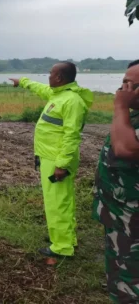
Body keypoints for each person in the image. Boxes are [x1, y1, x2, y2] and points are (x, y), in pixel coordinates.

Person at [10, 61, 93, 258]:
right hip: (49, 157)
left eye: (50, 73)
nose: (48, 76)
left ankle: (62, 247)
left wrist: (61, 165)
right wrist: (22, 82)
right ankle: (66, 238)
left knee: (57, 203)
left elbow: (71, 136)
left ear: (59, 78)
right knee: (62, 200)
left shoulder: (71, 101)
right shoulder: (59, 95)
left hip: (57, 160)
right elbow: (41, 89)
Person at [94, 60, 139, 303]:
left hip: (134, 222)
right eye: (123, 83)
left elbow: (125, 149)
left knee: (131, 279)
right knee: (120, 272)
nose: (123, 91)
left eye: (132, 85)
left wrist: (120, 108)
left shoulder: (125, 111)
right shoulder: (134, 116)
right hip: (121, 217)